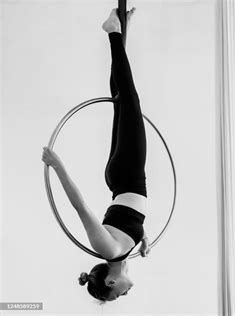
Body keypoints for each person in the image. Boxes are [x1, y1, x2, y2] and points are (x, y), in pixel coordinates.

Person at [42, 7, 150, 302]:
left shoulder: (108, 249)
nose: (126, 294)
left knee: (129, 101)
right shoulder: (123, 250)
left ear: (111, 282)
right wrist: (144, 238)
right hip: (123, 178)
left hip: (127, 175)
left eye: (118, 295)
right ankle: (119, 34)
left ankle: (114, 31)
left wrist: (57, 165)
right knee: (122, 101)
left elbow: (81, 207)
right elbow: (130, 221)